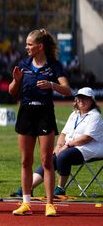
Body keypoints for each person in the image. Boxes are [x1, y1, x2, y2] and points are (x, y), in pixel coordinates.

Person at [8, 28, 72, 217]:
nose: (26, 47)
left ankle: (50, 204)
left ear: (40, 46)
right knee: (25, 161)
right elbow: (12, 92)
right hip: (26, 113)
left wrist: (51, 85)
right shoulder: (23, 64)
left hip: (45, 113)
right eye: (26, 44)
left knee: (46, 161)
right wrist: (16, 80)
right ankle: (26, 203)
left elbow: (68, 90)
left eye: (29, 44)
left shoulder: (54, 66)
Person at [12, 87, 103, 197]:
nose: (81, 101)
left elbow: (87, 138)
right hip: (71, 146)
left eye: (85, 99)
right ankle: (28, 187)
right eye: (79, 99)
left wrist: (67, 145)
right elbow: (63, 134)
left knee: (64, 156)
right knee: (49, 159)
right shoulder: (74, 115)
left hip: (90, 147)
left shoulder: (95, 116)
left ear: (92, 101)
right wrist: (59, 145)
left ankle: (60, 188)